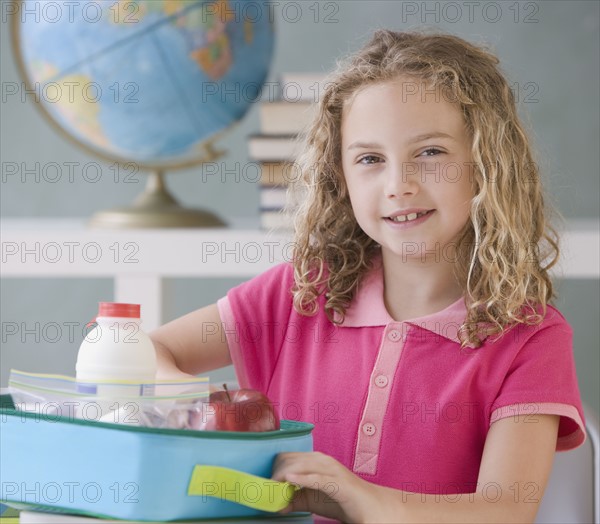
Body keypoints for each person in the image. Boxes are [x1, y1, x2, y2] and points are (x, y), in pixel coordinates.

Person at [150, 29, 586, 523]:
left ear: (485, 164)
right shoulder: (296, 295)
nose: (398, 184)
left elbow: (504, 511)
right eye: (370, 160)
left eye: (430, 152)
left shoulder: (532, 339)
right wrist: (203, 409)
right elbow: (141, 353)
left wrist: (362, 499)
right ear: (342, 177)